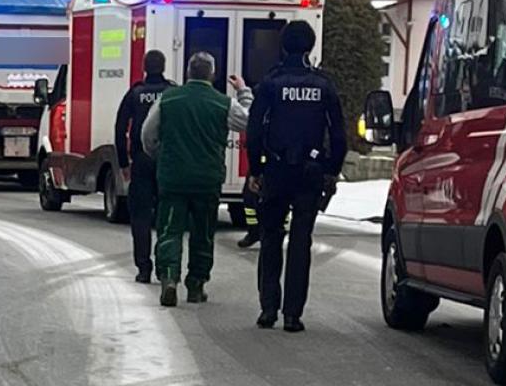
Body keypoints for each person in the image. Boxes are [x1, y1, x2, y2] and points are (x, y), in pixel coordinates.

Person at [247, 21, 346, 333]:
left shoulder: (271, 83)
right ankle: (293, 314)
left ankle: (268, 308)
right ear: (311, 47)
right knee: (301, 242)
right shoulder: (324, 85)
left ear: (284, 45)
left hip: (276, 170)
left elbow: (255, 130)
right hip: (310, 173)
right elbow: (339, 133)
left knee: (271, 237)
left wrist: (256, 169)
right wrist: (331, 169)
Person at [141, 52, 252, 308]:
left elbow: (148, 134)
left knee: (170, 229)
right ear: (212, 75)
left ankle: (169, 278)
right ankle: (196, 284)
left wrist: (160, 155)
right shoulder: (223, 103)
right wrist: (244, 92)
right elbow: (248, 121)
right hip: (207, 179)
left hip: (172, 177)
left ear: (188, 73)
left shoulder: (167, 99)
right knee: (203, 232)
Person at [114, 51, 174, 284]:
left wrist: (123, 162)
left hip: (140, 161)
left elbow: (120, 128)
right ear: (164, 66)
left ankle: (143, 268)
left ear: (144, 67)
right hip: (166, 161)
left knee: (140, 216)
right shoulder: (171, 92)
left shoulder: (135, 93)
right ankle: (163, 266)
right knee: (165, 216)